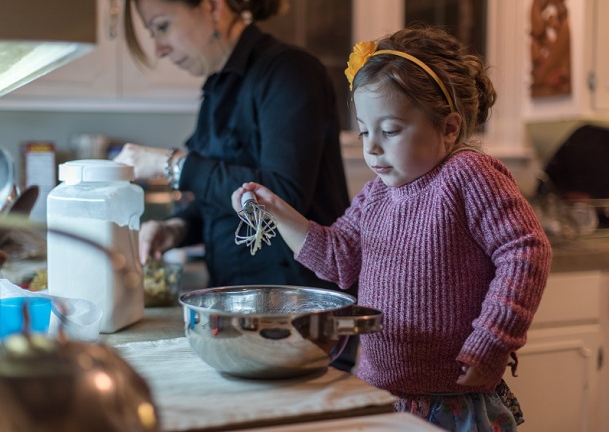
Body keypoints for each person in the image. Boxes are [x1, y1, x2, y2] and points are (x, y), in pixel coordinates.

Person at [231, 26, 552, 431]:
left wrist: (493, 339)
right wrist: (275, 210)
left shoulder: (467, 174)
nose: (372, 147)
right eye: (365, 131)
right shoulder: (375, 195)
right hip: (382, 394)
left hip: (450, 402)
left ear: (449, 128)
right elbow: (337, 258)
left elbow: (526, 251)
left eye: (391, 130)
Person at [114, 0, 358, 370]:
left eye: (162, 27)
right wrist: (177, 227)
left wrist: (171, 164)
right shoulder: (217, 89)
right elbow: (230, 200)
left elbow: (280, 195)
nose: (159, 49)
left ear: (212, 8)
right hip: (243, 316)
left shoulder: (290, 72)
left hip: (300, 320)